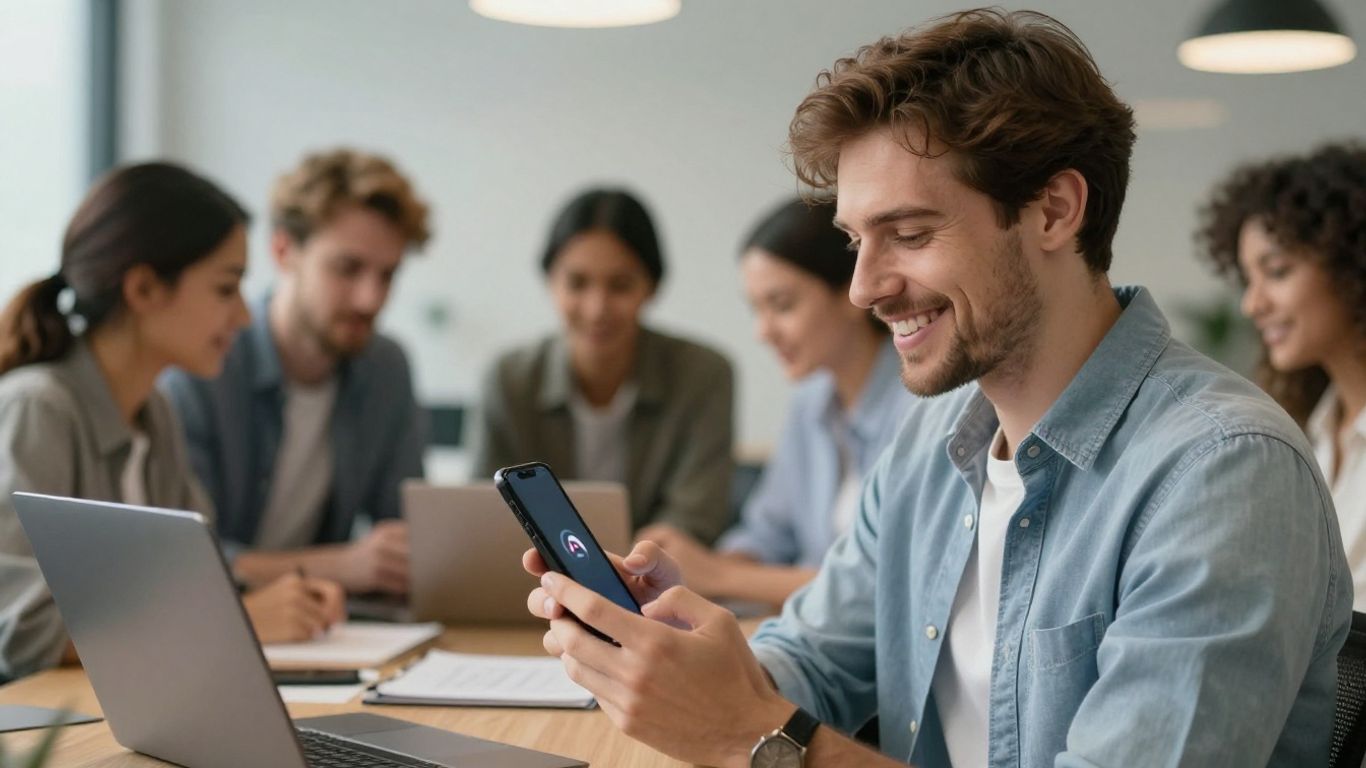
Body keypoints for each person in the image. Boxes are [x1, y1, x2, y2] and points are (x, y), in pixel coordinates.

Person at [522, 9, 1351, 767]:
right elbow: (813, 660)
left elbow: (763, 727)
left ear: (1056, 211)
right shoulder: (934, 439)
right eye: (855, 242)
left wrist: (752, 738)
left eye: (910, 234)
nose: (864, 288)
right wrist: (683, 656)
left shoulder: (1222, 473)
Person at [0, 163, 344, 682]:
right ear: (143, 289)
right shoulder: (39, 408)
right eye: (226, 289)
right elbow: (21, 626)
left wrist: (282, 597)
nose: (244, 317)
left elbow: (193, 578)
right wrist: (242, 620)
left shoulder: (154, 412)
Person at [162, 148, 430, 596]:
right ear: (285, 251)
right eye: (348, 268)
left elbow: (406, 529)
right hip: (222, 627)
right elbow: (181, 560)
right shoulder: (203, 366)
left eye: (387, 276)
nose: (371, 299)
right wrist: (343, 566)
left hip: (324, 629)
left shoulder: (385, 368)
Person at [639, 198, 912, 608]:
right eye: (756, 308)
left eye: (782, 305)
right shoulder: (811, 402)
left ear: (850, 293)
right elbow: (766, 534)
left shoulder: (919, 406)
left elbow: (883, 586)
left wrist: (719, 575)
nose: (762, 331)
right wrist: (686, 573)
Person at [473, 188, 734, 544]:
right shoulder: (508, 379)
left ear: (652, 287)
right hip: (533, 579)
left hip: (652, 581)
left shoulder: (704, 375)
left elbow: (694, 517)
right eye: (577, 283)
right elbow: (484, 513)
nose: (597, 309)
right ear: (550, 282)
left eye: (620, 285)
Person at [1200, 141, 1366, 609]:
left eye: (1276, 271)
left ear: (1351, 264)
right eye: (1247, 280)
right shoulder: (1308, 431)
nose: (1253, 304)